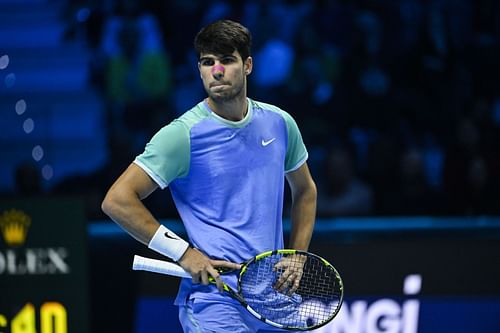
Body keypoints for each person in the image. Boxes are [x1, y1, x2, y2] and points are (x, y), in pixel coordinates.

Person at [101, 19, 317, 333]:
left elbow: (306, 190)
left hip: (272, 296)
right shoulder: (181, 135)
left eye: (227, 60)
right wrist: (183, 252)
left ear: (248, 65)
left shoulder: (280, 124)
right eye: (207, 62)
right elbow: (117, 201)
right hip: (214, 299)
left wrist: (297, 255)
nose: (216, 70)